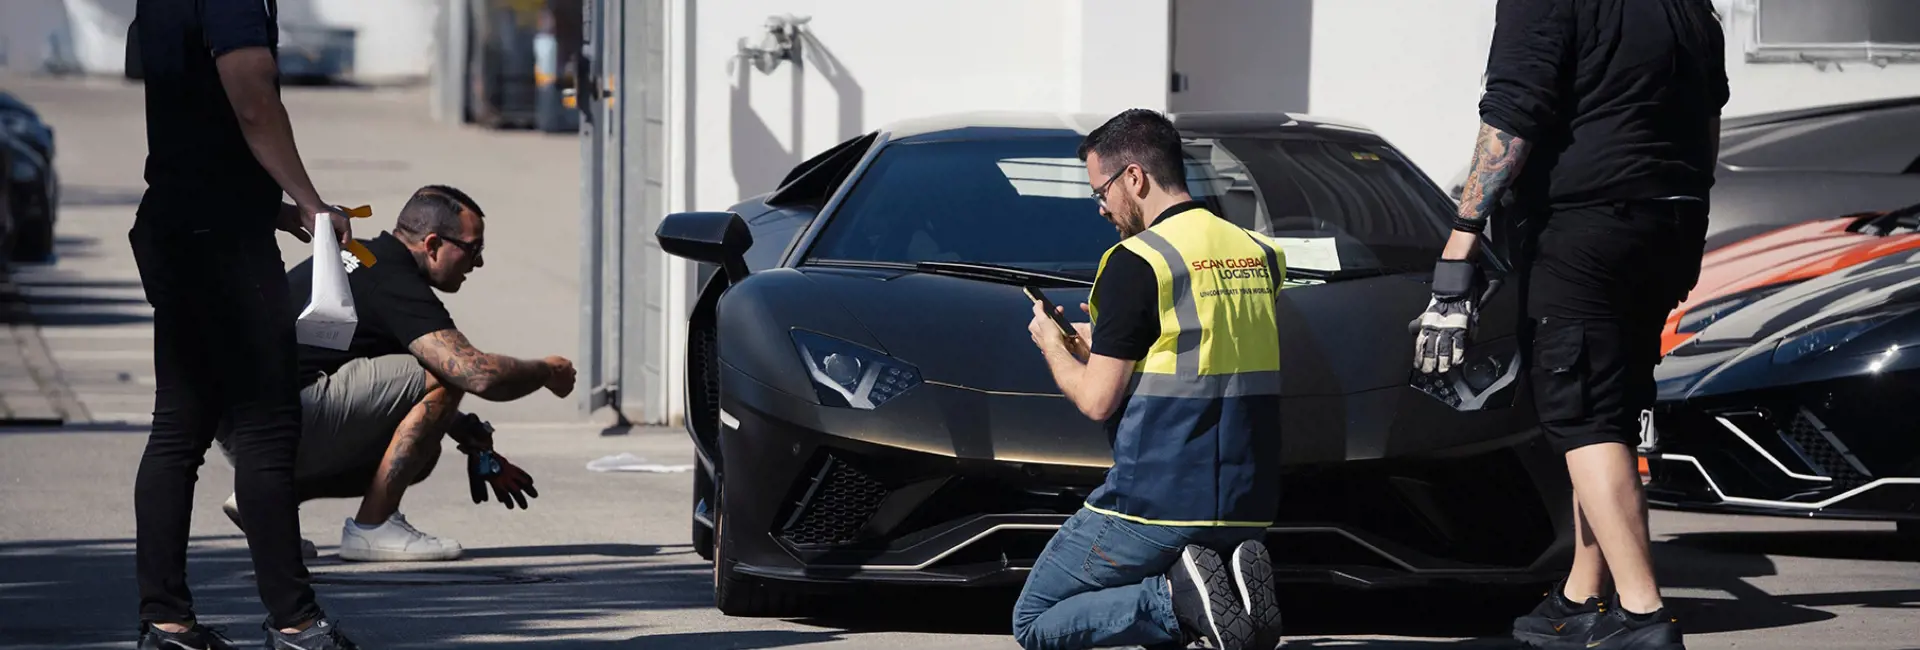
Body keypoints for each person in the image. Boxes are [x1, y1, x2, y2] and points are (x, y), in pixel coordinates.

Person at [1411, 1, 1727, 648]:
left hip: (1584, 227)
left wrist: (1461, 242)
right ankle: (1584, 594)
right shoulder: (1690, 7)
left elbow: (1513, 115)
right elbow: (1709, 118)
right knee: (1607, 415)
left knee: (1581, 417)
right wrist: (1690, 226)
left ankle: (1643, 615)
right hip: (1667, 224)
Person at [129, 0, 360, 648]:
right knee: (266, 427)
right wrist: (311, 203)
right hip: (223, 242)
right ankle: (297, 622)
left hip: (180, 221)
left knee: (179, 427)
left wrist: (279, 209)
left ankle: (166, 621)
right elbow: (252, 95)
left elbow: (198, 120)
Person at [1012, 108, 1287, 650]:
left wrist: (1052, 344)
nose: (1101, 207)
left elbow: (1096, 400)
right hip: (1245, 504)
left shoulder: (1136, 261)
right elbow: (1202, 338)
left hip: (1156, 503)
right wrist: (1105, 338)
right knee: (1189, 608)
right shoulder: (1258, 254)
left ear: (1133, 177)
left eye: (1102, 190)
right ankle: (1223, 596)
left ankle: (1175, 600)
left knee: (1035, 618)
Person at [216, 185, 576, 562]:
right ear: (433, 244)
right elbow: (475, 374)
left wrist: (469, 437)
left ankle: (266, 494)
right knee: (443, 374)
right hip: (277, 421)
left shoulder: (366, 259)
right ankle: (373, 526)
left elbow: (384, 384)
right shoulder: (393, 283)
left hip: (250, 423)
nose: (478, 264)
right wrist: (546, 371)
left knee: (425, 447)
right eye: (474, 250)